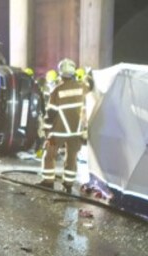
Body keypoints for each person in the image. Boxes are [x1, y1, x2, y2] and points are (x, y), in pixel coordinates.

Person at [39, 58, 91, 194]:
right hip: (76, 132)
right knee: (72, 157)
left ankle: (48, 182)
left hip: (58, 132)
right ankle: (68, 184)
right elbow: (89, 88)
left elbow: (51, 113)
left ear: (60, 74)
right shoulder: (82, 88)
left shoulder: (57, 91)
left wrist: (46, 129)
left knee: (49, 155)